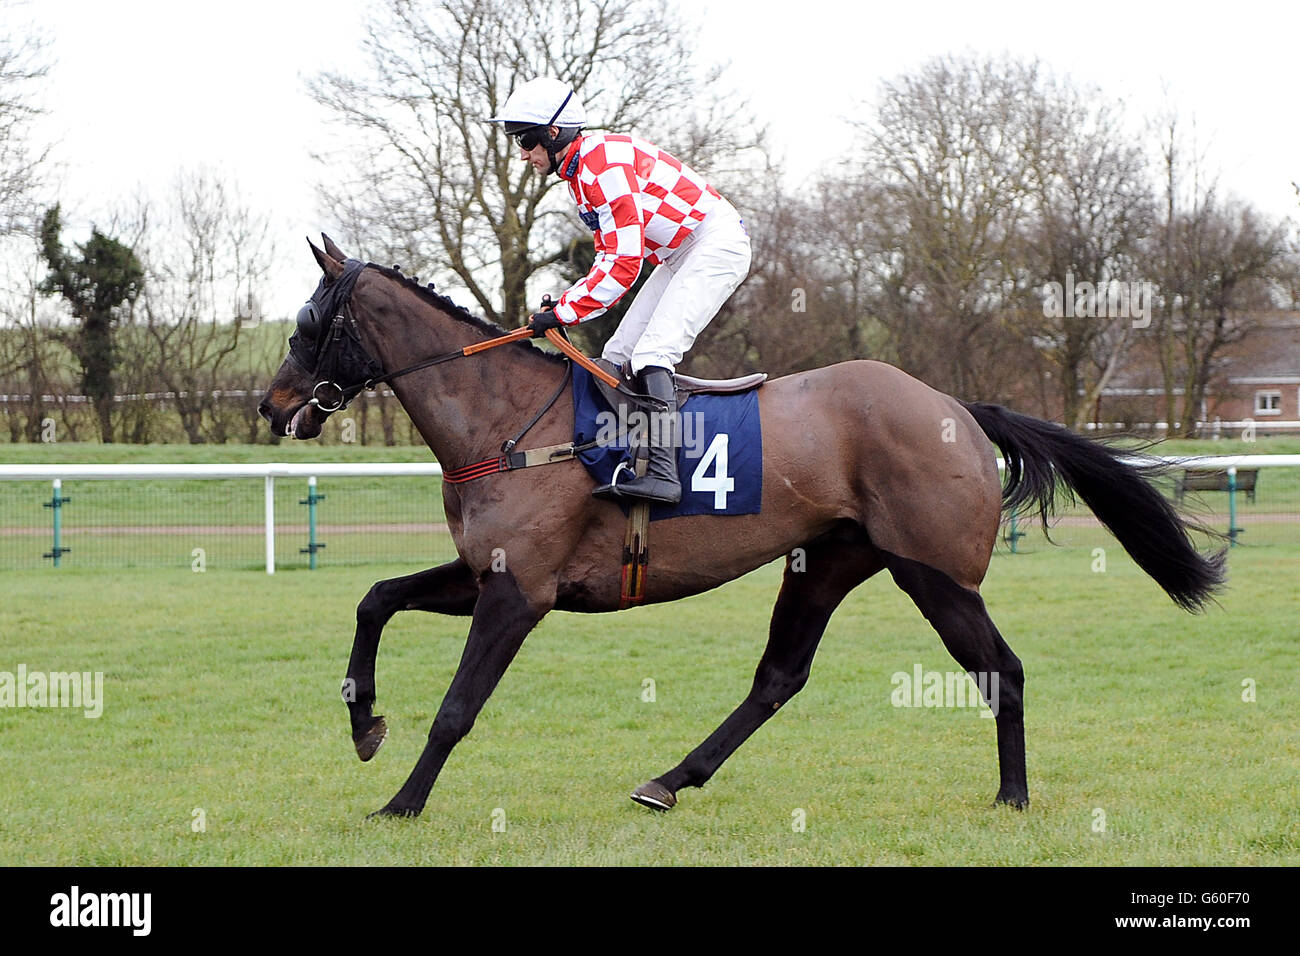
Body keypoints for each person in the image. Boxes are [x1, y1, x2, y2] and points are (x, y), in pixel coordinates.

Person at [486, 77, 752, 505]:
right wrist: (565, 303)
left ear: (553, 134)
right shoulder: (580, 172)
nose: (522, 153)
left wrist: (565, 312)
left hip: (713, 245)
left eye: (525, 140)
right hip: (679, 252)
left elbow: (624, 266)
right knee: (615, 357)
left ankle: (664, 476)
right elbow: (610, 258)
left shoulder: (599, 167)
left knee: (652, 355)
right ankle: (624, 456)